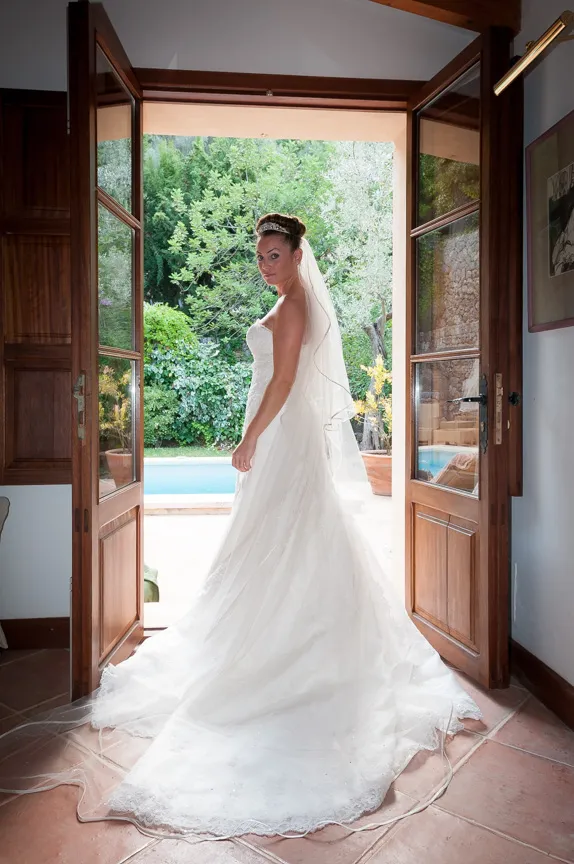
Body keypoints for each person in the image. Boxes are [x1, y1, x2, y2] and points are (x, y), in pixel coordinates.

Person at [0, 213, 481, 840]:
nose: (265, 265)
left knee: (288, 539)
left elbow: (283, 380)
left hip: (282, 437)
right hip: (280, 437)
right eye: (260, 256)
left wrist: (251, 435)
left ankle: (293, 653)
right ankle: (274, 633)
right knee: (274, 542)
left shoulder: (295, 305)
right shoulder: (289, 300)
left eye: (274, 254)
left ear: (296, 254)